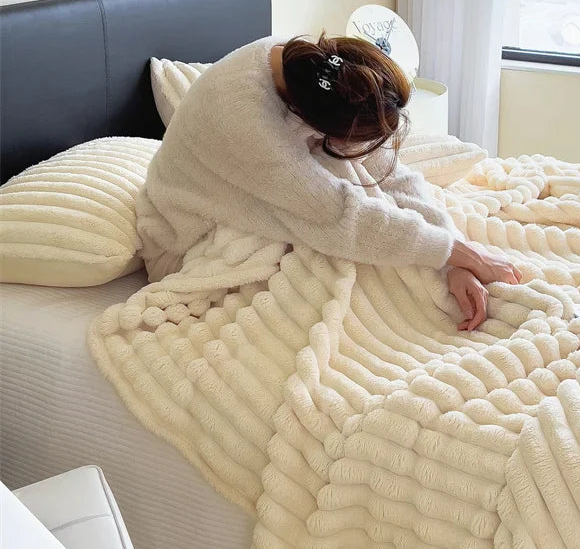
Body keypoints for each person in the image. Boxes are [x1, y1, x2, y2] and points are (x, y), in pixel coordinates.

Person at [137, 34, 520, 330]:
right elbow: (337, 215)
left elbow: (390, 172)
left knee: (363, 185)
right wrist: (451, 254)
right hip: (186, 238)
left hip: (258, 181)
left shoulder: (306, 65)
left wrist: (456, 255)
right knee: (343, 251)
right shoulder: (248, 125)